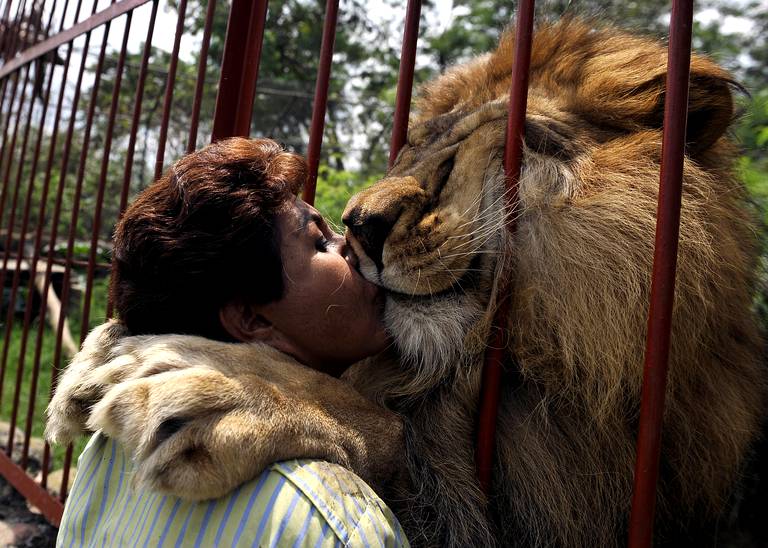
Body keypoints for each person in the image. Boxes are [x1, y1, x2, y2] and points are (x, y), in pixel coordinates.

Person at [54, 137, 408, 547]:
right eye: (319, 242)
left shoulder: (110, 451)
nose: (351, 244)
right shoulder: (331, 518)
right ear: (252, 319)